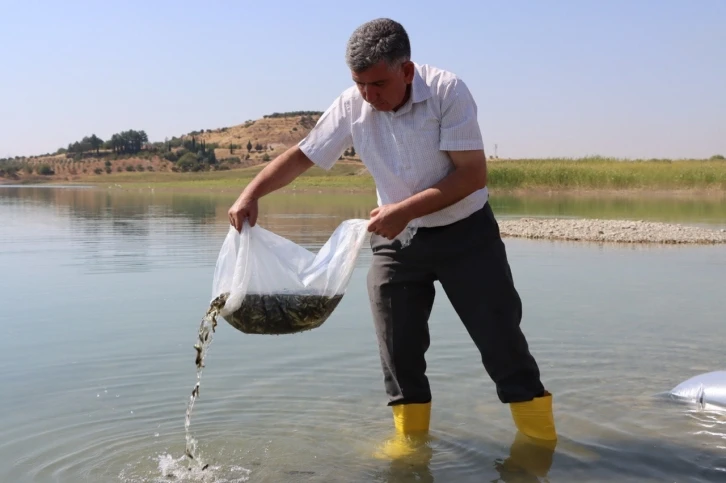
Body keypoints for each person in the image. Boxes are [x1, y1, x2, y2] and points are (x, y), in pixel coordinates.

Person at [228, 17, 557, 459]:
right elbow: (303, 155)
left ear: (406, 70)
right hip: (397, 243)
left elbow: (472, 176)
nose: (368, 95)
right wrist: (252, 192)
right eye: (359, 83)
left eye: (377, 83)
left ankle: (541, 447)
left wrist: (404, 210)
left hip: (467, 236)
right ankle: (410, 445)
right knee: (397, 347)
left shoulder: (447, 92)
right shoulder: (352, 104)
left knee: (502, 344)